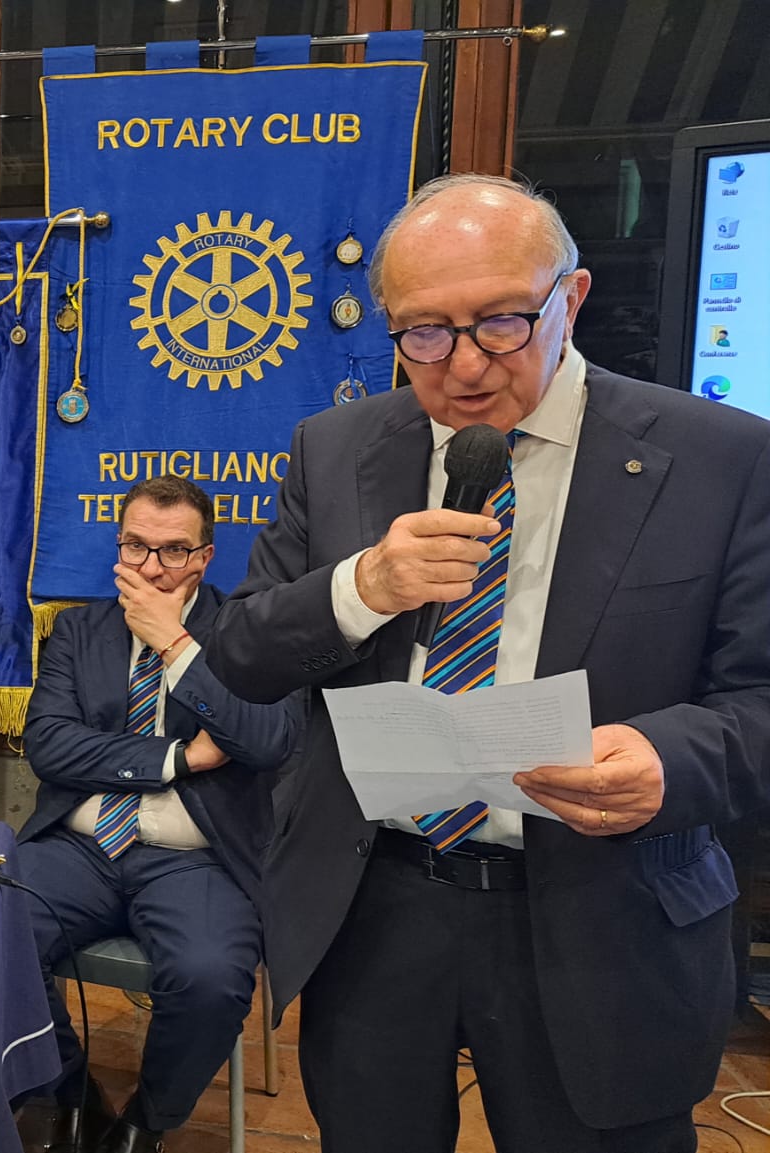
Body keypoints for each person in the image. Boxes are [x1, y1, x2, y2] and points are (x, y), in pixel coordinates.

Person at [209, 174, 770, 1152]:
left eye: (502, 322)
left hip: (603, 911)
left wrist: (667, 761)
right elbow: (242, 654)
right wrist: (361, 587)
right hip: (376, 904)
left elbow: (756, 698)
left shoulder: (721, 457)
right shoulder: (334, 448)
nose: (462, 365)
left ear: (571, 299)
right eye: (423, 333)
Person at [14, 476, 300, 1153]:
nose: (150, 567)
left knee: (209, 978)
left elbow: (266, 742)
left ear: (204, 556)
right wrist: (179, 757)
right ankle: (67, 1092)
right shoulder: (79, 630)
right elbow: (49, 745)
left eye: (173, 551)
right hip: (78, 847)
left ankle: (148, 1120)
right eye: (135, 546)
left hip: (197, 858)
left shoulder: (248, 633)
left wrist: (175, 645)